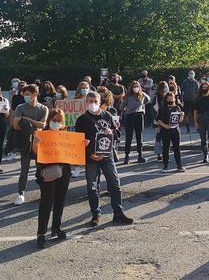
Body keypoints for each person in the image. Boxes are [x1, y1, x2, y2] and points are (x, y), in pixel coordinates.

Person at [75, 91, 133, 227]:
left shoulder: (107, 115)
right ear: (86, 102)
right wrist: (89, 153)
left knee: (115, 184)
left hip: (107, 156)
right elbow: (78, 142)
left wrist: (112, 132)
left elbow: (117, 133)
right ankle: (96, 214)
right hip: (91, 158)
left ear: (100, 101)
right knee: (92, 187)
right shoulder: (82, 120)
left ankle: (118, 213)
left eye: (95, 101)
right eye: (90, 101)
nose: (93, 104)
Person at [36, 108, 72, 248]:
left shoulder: (67, 135)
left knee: (60, 200)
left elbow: (74, 153)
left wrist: (83, 145)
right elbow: (34, 154)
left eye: (59, 121)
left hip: (64, 170)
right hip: (47, 171)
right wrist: (36, 143)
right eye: (54, 120)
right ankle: (41, 233)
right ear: (48, 121)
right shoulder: (42, 135)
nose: (56, 123)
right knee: (46, 201)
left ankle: (56, 228)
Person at [13, 84, 49, 205]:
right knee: (24, 169)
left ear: (35, 94)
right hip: (25, 142)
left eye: (28, 94)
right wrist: (35, 124)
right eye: (24, 94)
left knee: (41, 168)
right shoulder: (20, 107)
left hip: (39, 142)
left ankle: (44, 192)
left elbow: (43, 125)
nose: (25, 97)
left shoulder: (43, 108)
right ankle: (21, 193)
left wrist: (27, 120)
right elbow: (15, 125)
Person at [156, 91, 186, 172]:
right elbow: (158, 120)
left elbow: (179, 121)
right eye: (168, 98)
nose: (170, 99)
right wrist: (165, 126)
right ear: (166, 99)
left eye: (172, 97)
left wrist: (182, 115)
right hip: (165, 131)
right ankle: (165, 166)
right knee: (166, 148)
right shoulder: (162, 108)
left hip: (175, 130)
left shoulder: (177, 107)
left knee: (177, 148)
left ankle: (179, 166)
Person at [122, 81, 150, 164]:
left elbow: (148, 99)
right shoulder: (128, 96)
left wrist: (142, 106)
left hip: (139, 116)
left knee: (139, 136)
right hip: (130, 116)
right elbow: (122, 106)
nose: (136, 88)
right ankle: (126, 156)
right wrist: (126, 111)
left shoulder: (142, 95)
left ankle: (140, 155)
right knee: (128, 137)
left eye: (137, 86)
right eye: (134, 86)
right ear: (131, 87)